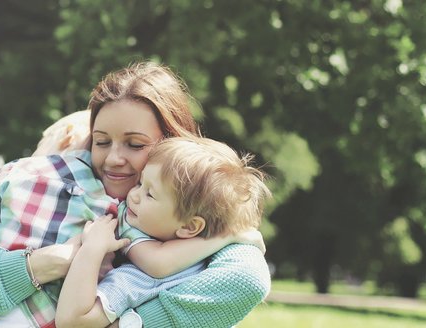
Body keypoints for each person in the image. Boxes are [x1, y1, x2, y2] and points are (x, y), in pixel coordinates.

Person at [0, 61, 271, 327]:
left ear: (171, 146)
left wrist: (230, 235)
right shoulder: (40, 183)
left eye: (135, 144)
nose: (114, 159)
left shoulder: (209, 222)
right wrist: (46, 262)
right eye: (101, 141)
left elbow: (246, 281)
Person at [56, 136, 272, 328]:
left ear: (189, 227)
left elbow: (73, 321)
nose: (134, 195)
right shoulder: (205, 266)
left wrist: (92, 248)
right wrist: (229, 236)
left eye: (150, 194)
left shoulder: (144, 278)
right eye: (140, 183)